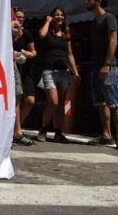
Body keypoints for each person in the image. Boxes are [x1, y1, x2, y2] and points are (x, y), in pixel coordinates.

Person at [86, 0, 118, 150]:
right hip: (95, 66)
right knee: (100, 102)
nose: (87, 1)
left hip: (107, 66)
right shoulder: (94, 21)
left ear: (98, 0)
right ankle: (106, 135)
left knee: (113, 102)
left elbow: (113, 41)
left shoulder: (109, 18)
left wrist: (106, 63)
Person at [35, 7, 80, 143]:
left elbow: (70, 54)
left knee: (61, 104)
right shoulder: (47, 32)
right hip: (49, 70)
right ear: (52, 17)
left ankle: (58, 132)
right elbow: (41, 35)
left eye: (62, 15)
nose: (59, 17)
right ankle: (43, 129)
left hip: (63, 72)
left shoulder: (66, 35)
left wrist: (75, 72)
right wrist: (47, 22)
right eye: (56, 15)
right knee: (53, 102)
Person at [12, 7, 38, 137]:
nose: (21, 19)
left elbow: (34, 52)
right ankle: (17, 131)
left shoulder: (27, 33)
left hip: (25, 69)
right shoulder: (8, 33)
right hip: (12, 68)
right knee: (16, 99)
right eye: (18, 17)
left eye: (22, 17)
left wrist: (26, 54)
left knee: (30, 100)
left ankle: (16, 127)